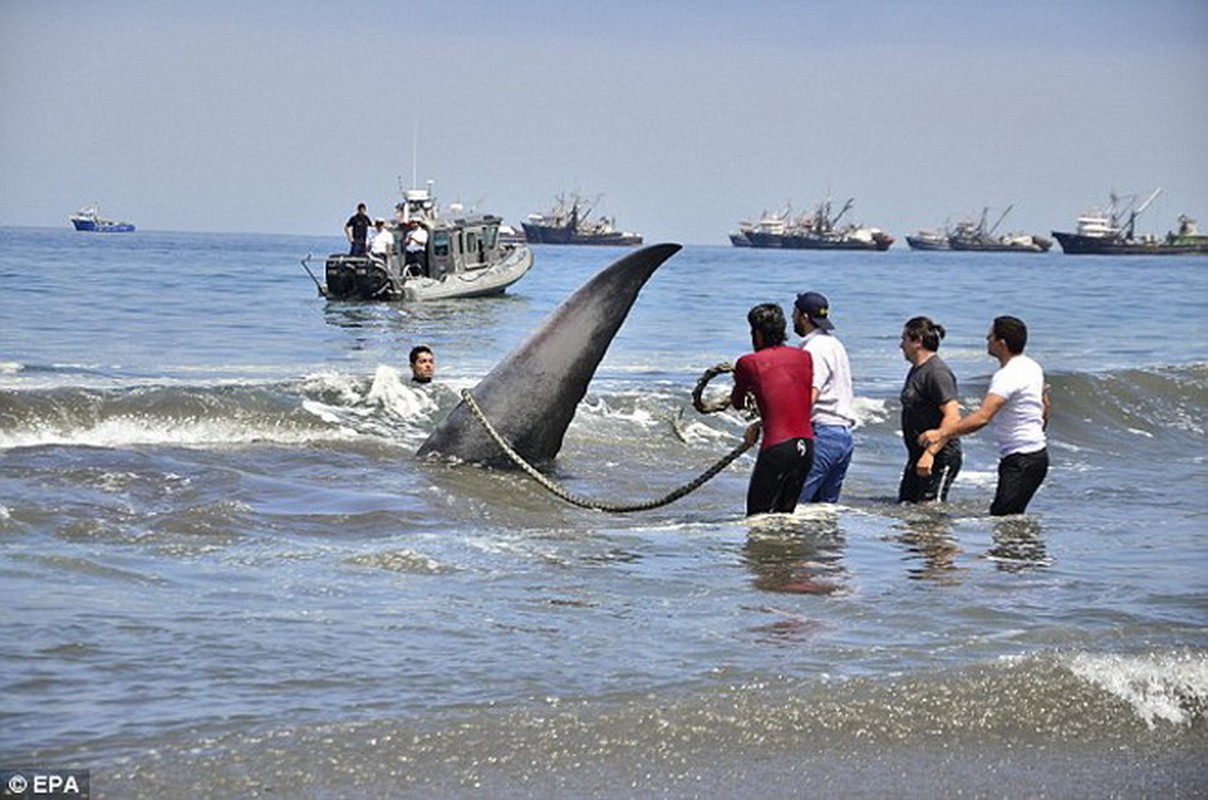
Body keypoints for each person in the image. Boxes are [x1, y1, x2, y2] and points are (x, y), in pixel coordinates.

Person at [920, 315, 1050, 516]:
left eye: (990, 336)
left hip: (1021, 459)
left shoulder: (1007, 375)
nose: (986, 340)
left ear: (1001, 343)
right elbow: (1044, 405)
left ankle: (1023, 548)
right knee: (1010, 520)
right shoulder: (1032, 367)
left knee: (1003, 520)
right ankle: (1025, 547)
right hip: (1037, 455)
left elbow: (982, 417)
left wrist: (942, 433)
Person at [731, 303, 815, 516]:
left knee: (757, 519)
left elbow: (738, 402)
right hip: (806, 447)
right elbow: (791, 400)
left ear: (757, 334)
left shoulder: (748, 362)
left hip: (777, 448)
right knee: (784, 519)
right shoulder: (804, 357)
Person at [792, 292, 856, 503]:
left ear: (803, 316)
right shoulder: (835, 344)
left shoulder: (813, 349)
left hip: (823, 434)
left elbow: (811, 393)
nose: (792, 317)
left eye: (794, 312)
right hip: (843, 436)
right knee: (824, 510)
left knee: (795, 506)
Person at [898, 316, 962, 503]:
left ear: (918, 341)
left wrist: (930, 453)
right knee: (906, 507)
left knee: (929, 515)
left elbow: (952, 416)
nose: (901, 345)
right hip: (918, 455)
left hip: (939, 457)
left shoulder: (936, 372)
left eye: (904, 339)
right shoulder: (917, 369)